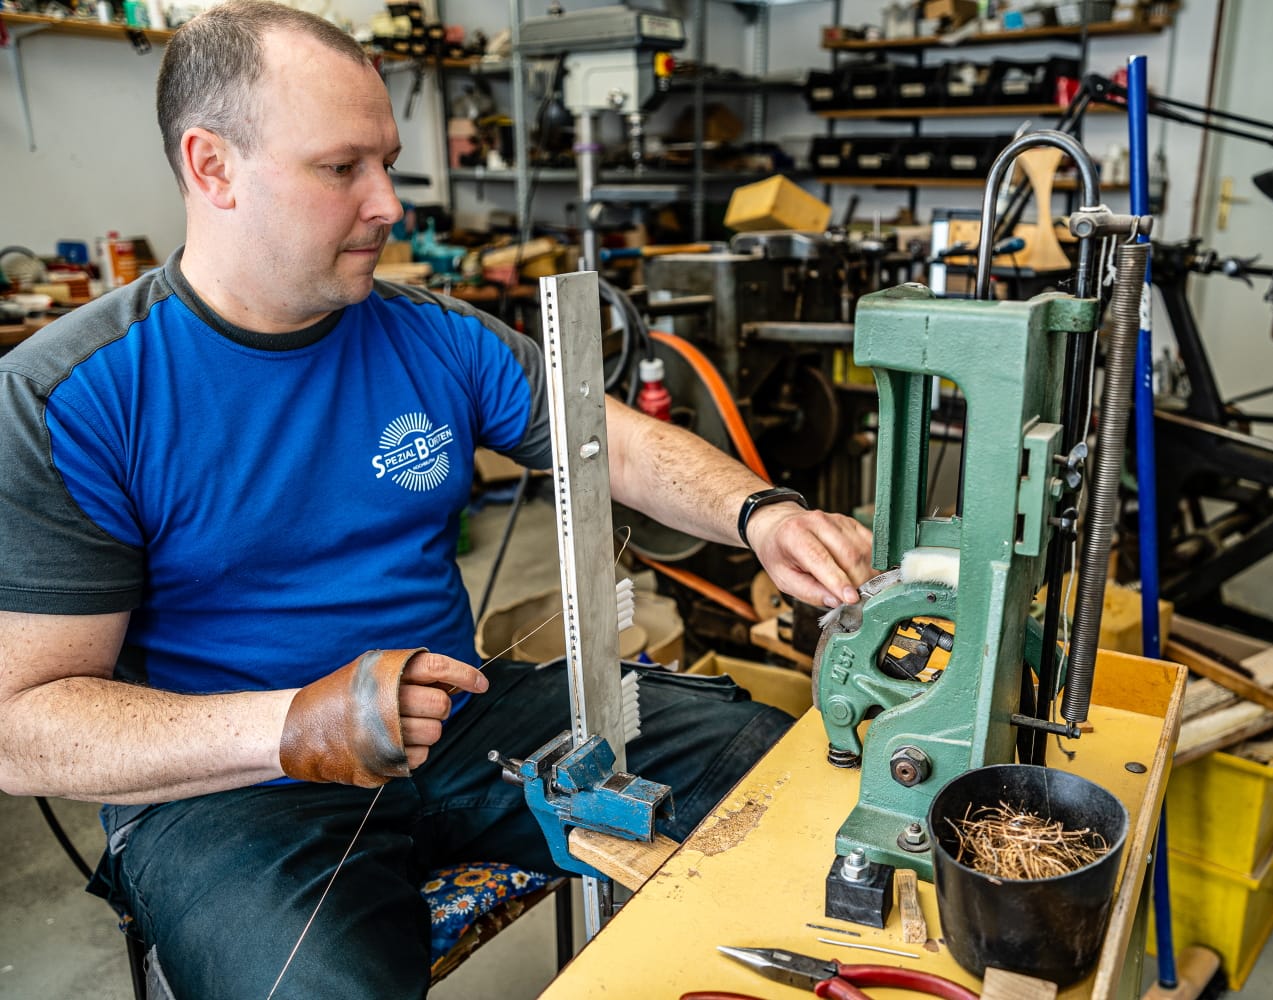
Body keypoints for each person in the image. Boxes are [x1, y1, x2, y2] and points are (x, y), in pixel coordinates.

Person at [0, 3, 872, 996]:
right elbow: (24, 726)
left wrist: (761, 512)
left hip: (458, 720)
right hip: (231, 792)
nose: (389, 204)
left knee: (777, 771)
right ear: (212, 168)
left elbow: (608, 437)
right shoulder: (72, 396)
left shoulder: (428, 333)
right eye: (343, 169)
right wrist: (289, 722)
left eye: (388, 161)